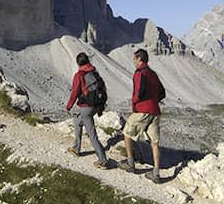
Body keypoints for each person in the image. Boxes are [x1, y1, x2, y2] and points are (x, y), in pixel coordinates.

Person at [118, 48, 166, 183]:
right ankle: (156, 173)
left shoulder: (140, 73)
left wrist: (135, 104)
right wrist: (154, 100)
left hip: (142, 110)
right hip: (155, 111)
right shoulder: (153, 73)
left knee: (127, 133)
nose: (133, 61)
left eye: (134, 59)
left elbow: (137, 91)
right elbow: (162, 92)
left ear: (139, 59)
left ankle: (130, 163)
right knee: (154, 143)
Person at [65, 52, 111, 169]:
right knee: (77, 121)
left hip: (86, 107)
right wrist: (100, 107)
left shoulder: (79, 75)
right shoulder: (94, 72)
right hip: (96, 106)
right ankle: (76, 148)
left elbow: (75, 92)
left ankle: (103, 160)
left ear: (78, 63)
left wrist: (69, 105)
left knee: (92, 134)